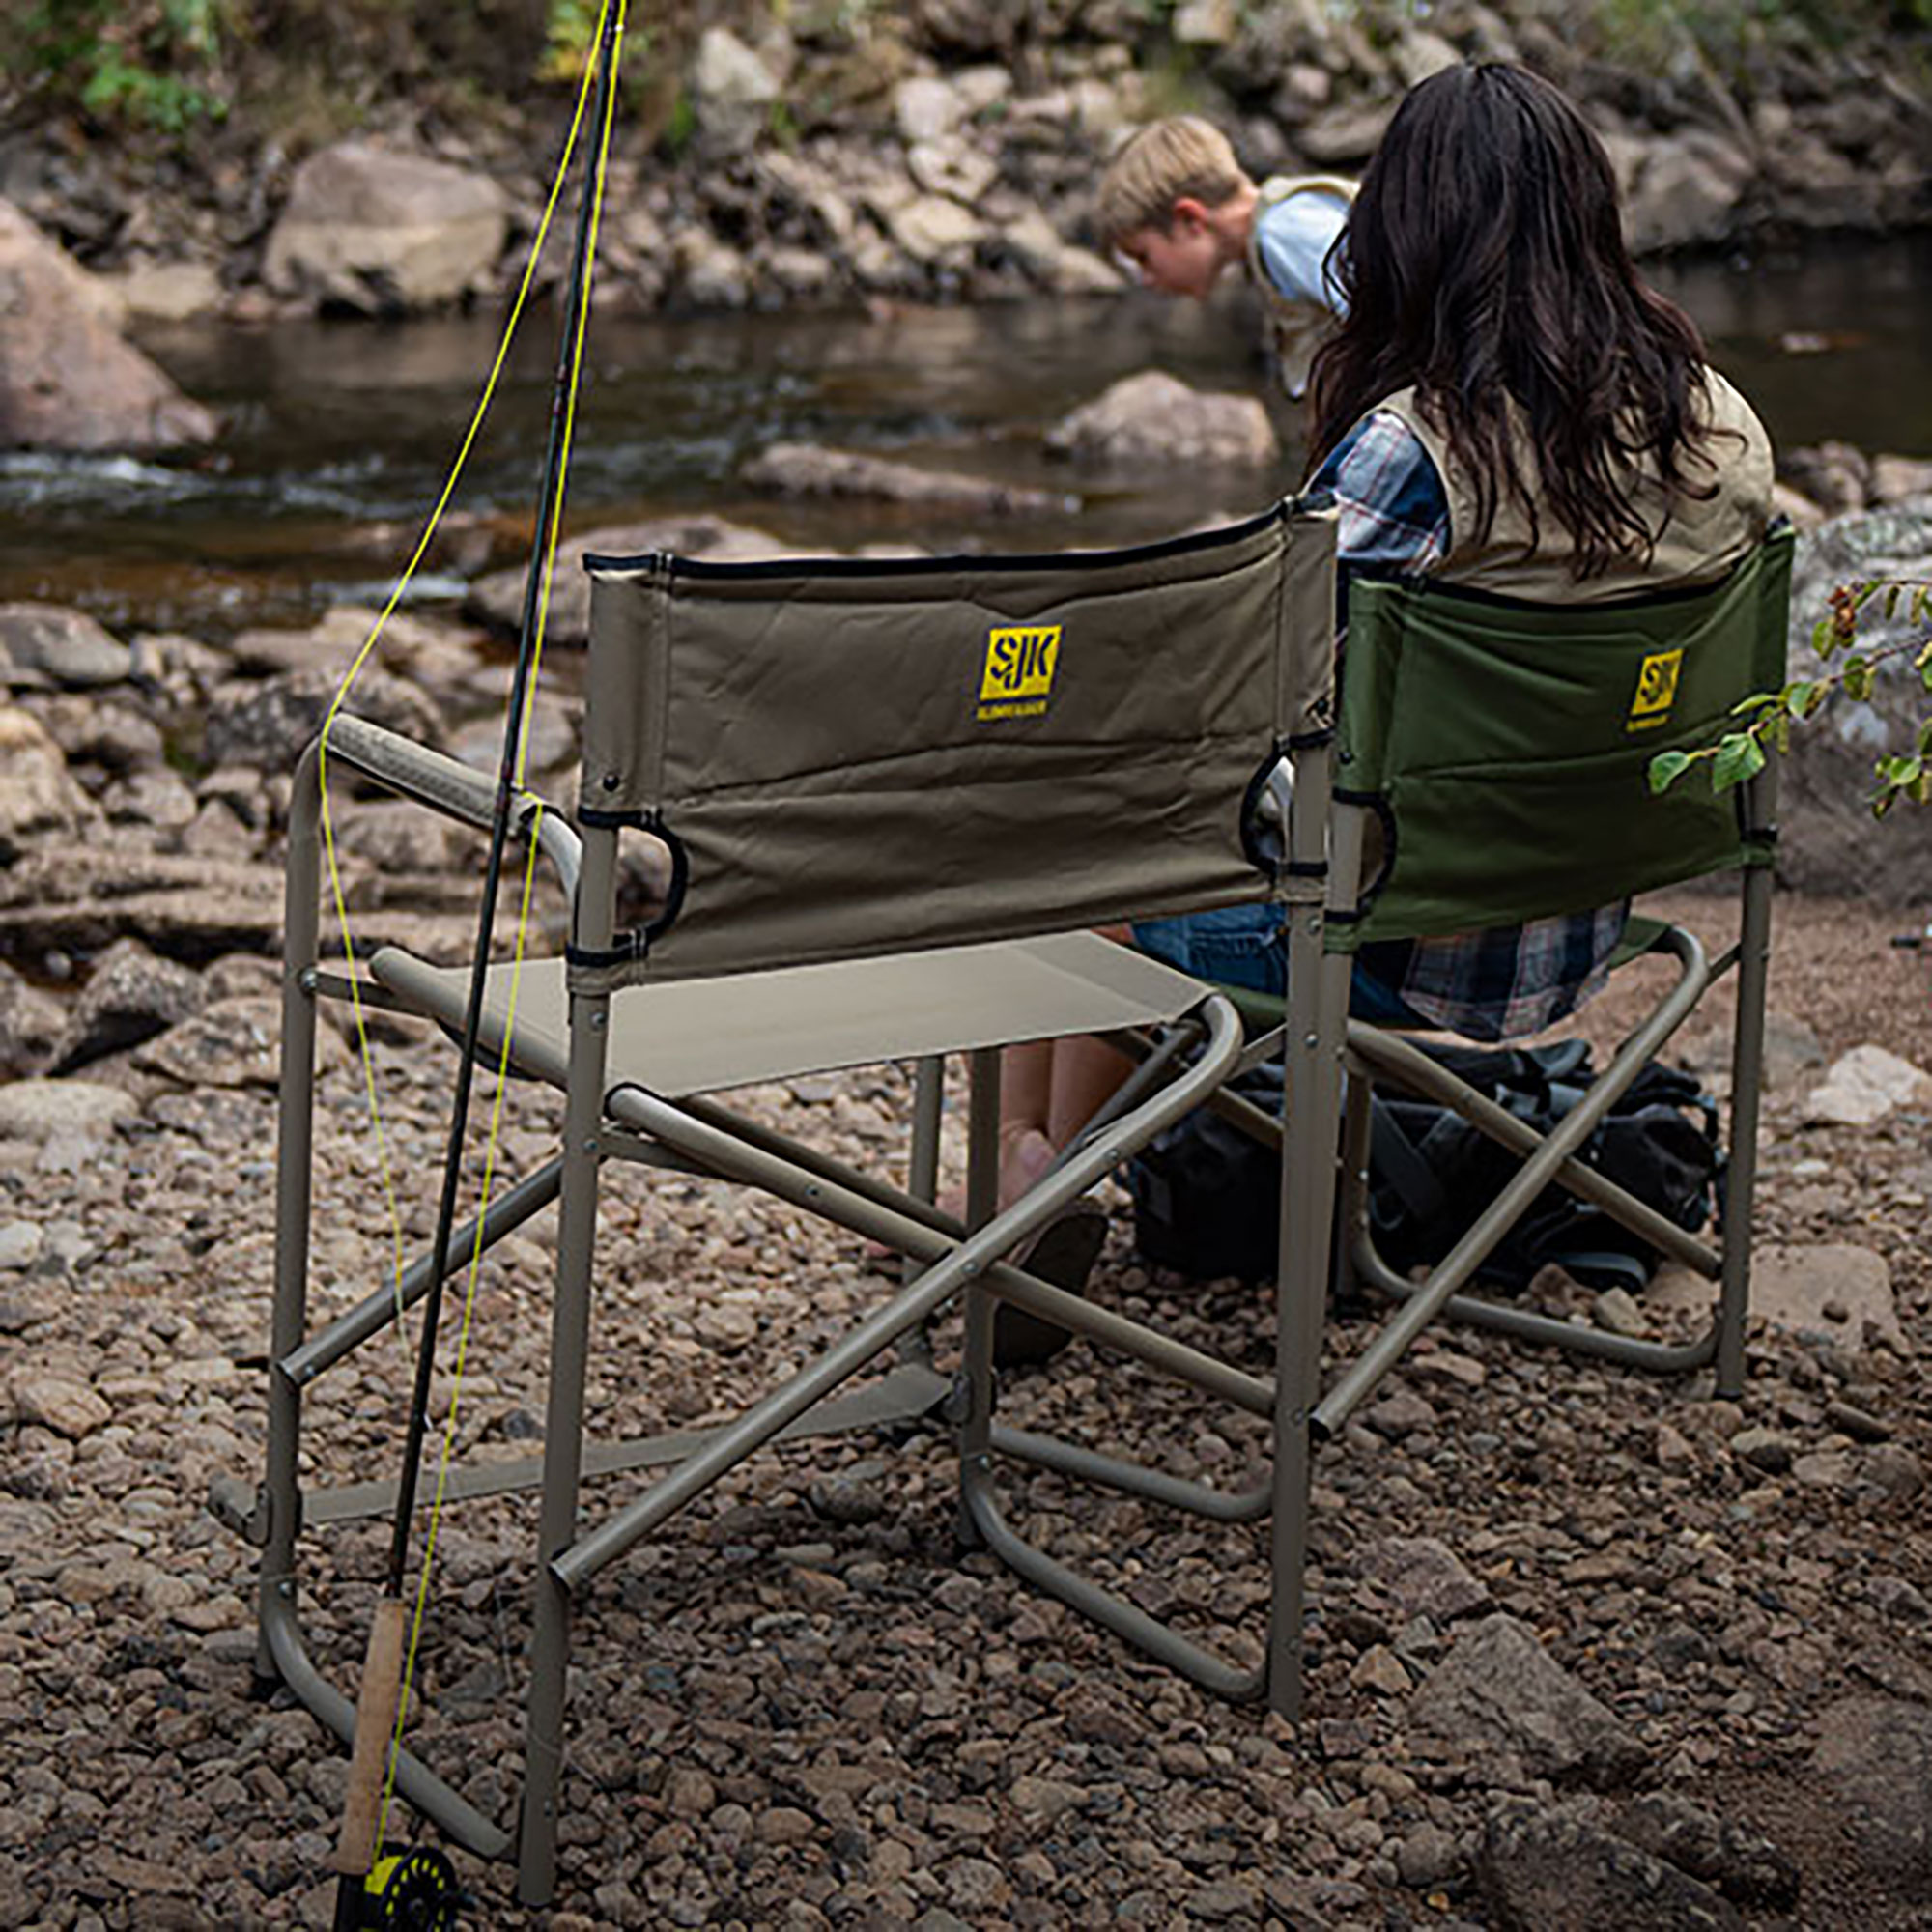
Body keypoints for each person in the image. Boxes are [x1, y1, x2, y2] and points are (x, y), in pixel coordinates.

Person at [996, 60, 1775, 1218]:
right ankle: (1054, 1188)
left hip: (1393, 942)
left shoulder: (1420, 448)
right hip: (1589, 911)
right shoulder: (1720, 421)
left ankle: (1023, 1190)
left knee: (1067, 865)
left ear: (1404, 233)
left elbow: (1259, 695)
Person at [1095, 115, 1355, 399]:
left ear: (1190, 220)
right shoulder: (1272, 237)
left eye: (1144, 257)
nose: (1145, 279)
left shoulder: (1286, 231)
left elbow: (1390, 312)